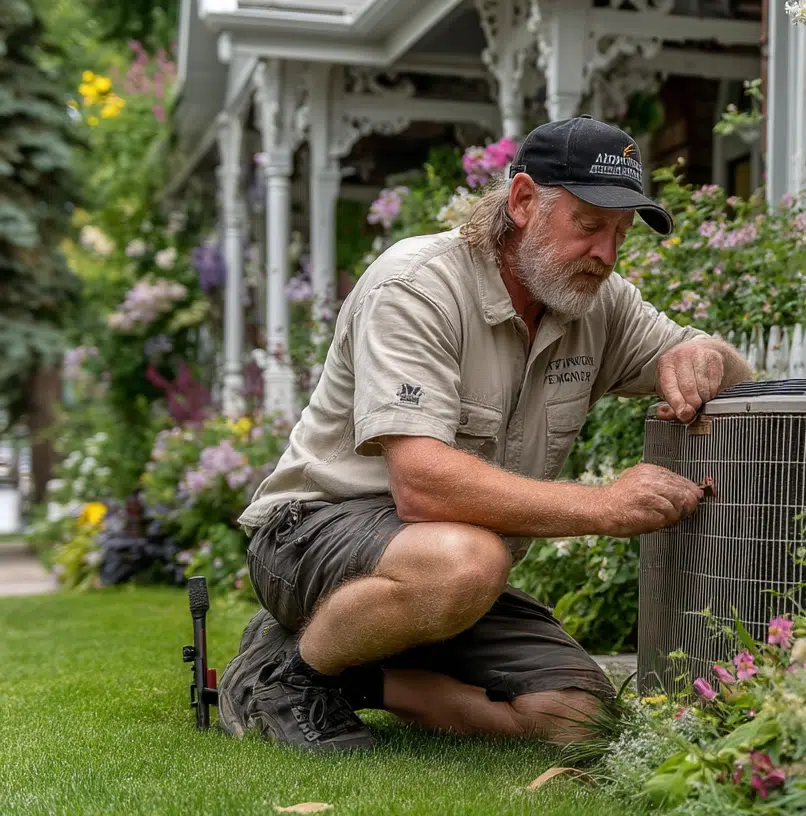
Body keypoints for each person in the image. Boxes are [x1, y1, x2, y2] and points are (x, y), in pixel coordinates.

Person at [217, 115, 753, 752]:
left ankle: (337, 669)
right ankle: (294, 679)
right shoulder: (416, 286)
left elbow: (731, 374)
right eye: (589, 225)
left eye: (620, 234)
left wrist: (710, 357)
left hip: (446, 569)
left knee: (580, 720)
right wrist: (606, 506)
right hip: (314, 533)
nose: (606, 255)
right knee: (468, 561)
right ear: (524, 202)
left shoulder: (594, 300)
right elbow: (421, 486)